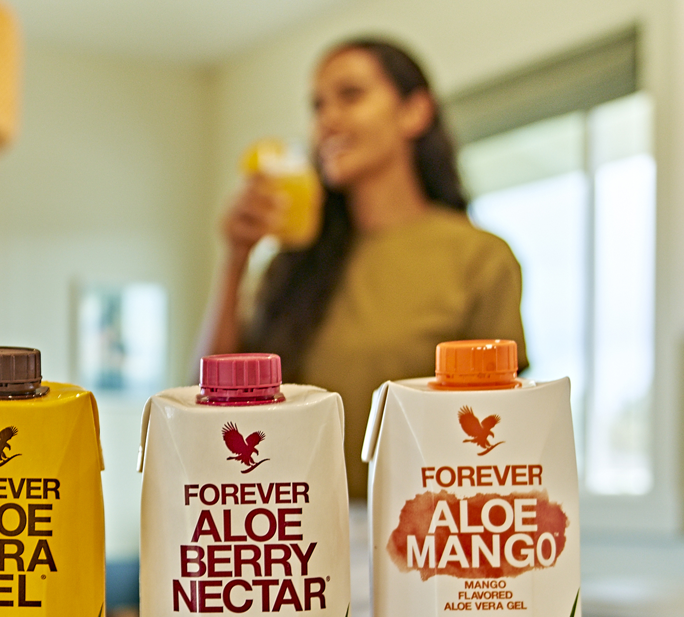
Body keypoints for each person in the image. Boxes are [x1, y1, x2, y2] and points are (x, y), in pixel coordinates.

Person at [199, 39, 527, 497]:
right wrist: (235, 259)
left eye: (350, 95)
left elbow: (501, 434)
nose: (327, 120)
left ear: (414, 111)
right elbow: (211, 399)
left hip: (422, 522)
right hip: (288, 521)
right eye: (318, 106)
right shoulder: (293, 267)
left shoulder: (478, 258)